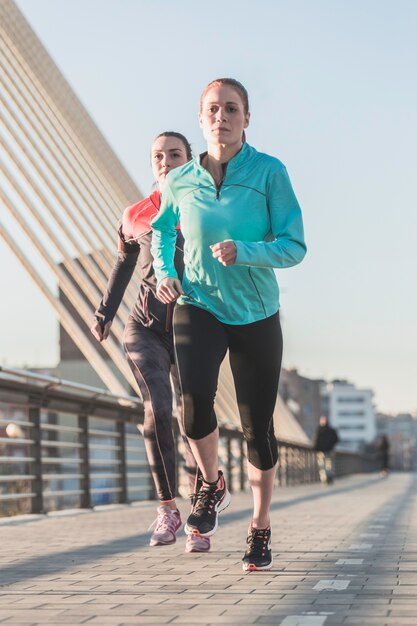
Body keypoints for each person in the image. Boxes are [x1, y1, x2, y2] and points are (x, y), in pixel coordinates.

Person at [151, 78, 306, 571]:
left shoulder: (268, 173)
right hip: (198, 302)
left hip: (256, 312)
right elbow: (160, 230)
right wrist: (167, 274)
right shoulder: (177, 181)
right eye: (213, 109)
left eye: (231, 109)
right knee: (192, 400)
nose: (222, 116)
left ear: (246, 119)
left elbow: (294, 245)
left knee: (257, 427)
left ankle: (260, 526)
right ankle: (212, 484)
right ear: (201, 119)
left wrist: (247, 252)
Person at [91, 131, 210, 553]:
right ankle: (167, 508)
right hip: (145, 327)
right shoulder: (136, 214)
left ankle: (201, 510)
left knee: (195, 416)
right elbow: (122, 266)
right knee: (156, 406)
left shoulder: (206, 206)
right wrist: (104, 314)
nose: (165, 161)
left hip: (195, 325)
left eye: (174, 154)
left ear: (190, 161)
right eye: (158, 156)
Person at [313, 416, 339, 485]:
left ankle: (326, 478)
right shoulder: (331, 430)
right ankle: (327, 477)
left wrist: (316, 448)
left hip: (324, 451)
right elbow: (336, 439)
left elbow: (315, 441)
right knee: (325, 464)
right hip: (325, 450)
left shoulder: (319, 430)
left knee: (324, 464)